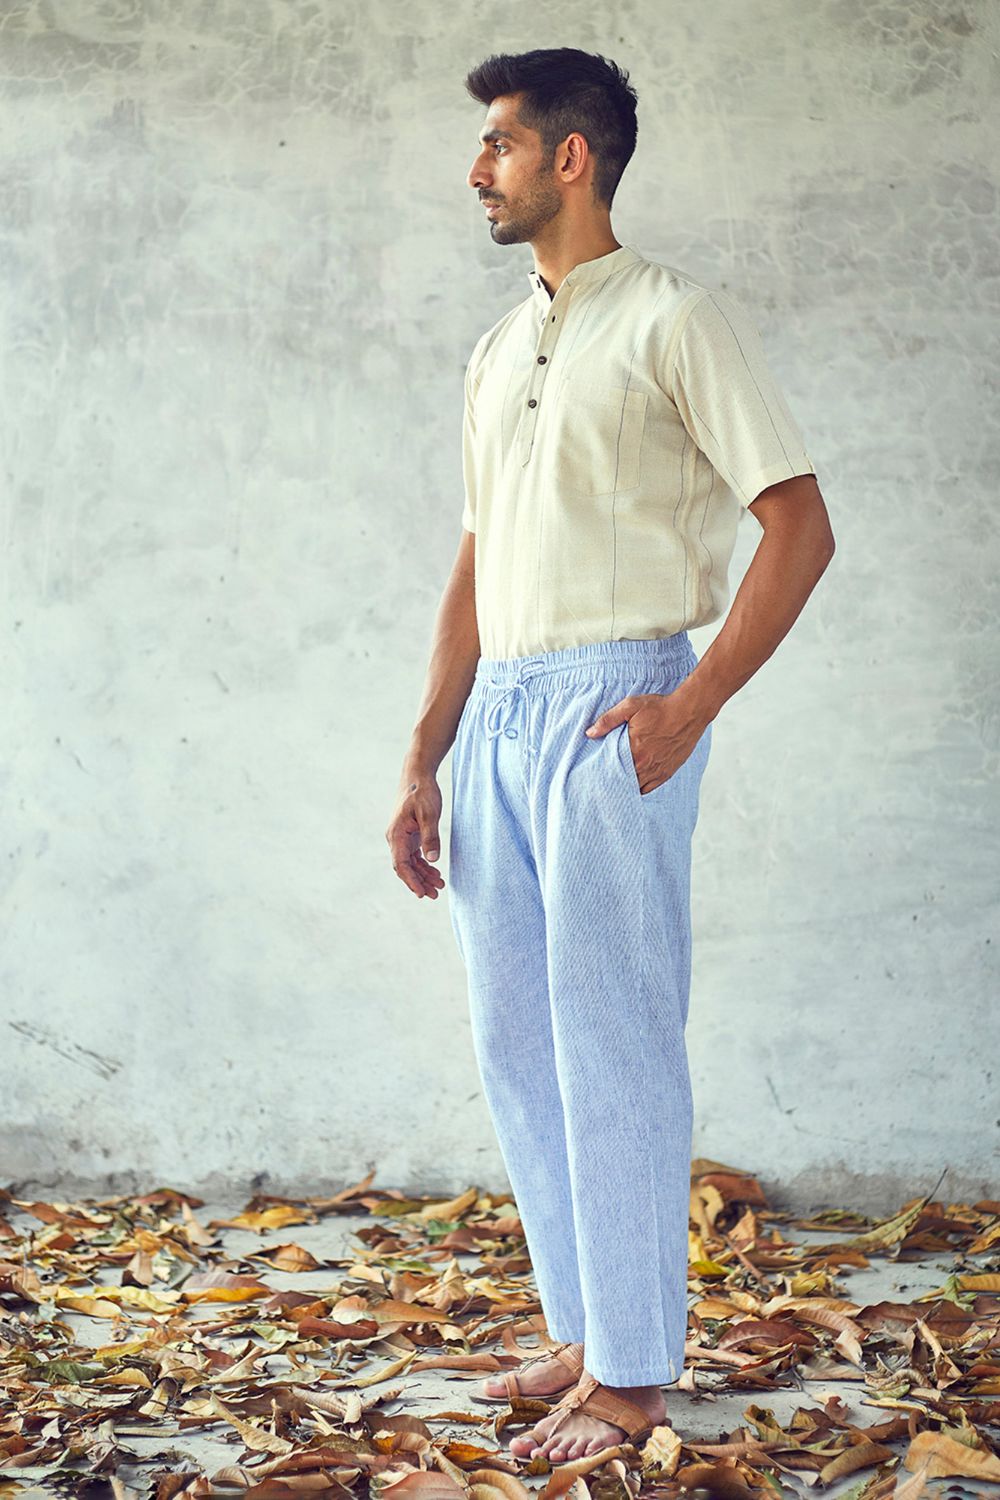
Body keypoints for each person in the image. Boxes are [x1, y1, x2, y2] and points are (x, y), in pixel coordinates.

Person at [385, 47, 835, 1466]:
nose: (478, 171)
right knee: (521, 1043)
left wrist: (688, 706)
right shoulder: (496, 348)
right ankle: (586, 1330)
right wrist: (426, 755)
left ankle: (634, 1376)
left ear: (569, 158)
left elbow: (799, 525)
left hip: (614, 705)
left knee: (613, 1036)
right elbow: (476, 565)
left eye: (500, 145)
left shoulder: (674, 318)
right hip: (502, 715)